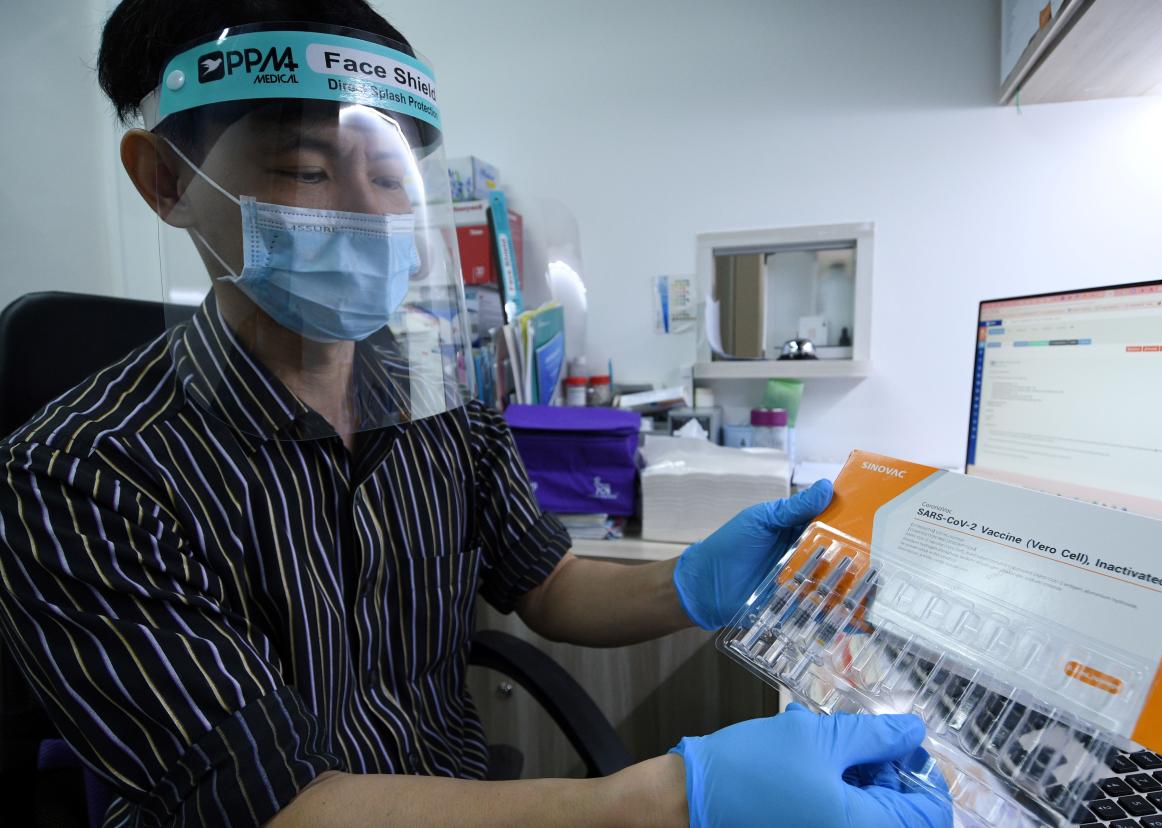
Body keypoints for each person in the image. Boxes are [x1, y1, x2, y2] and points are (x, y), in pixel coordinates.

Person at [0, 2, 953, 826]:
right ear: (167, 181)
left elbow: (549, 588)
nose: (369, 215)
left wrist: (697, 582)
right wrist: (663, 801)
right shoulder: (80, 477)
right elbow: (265, 807)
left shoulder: (438, 404)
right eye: (304, 170)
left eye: (389, 176)